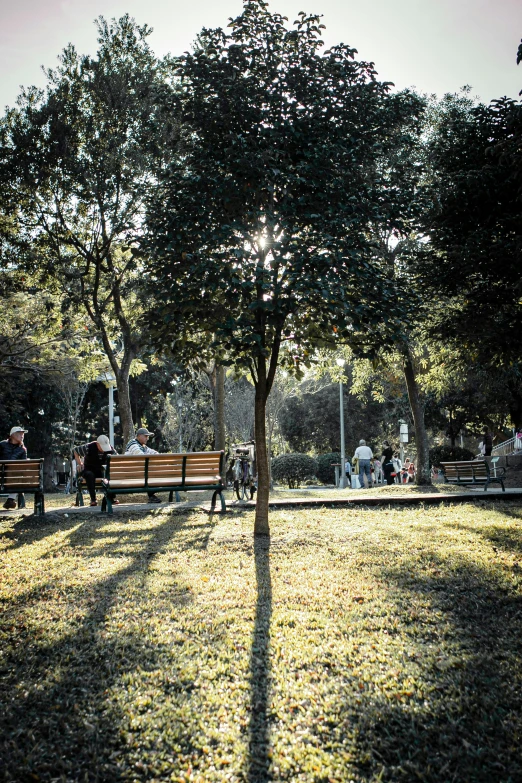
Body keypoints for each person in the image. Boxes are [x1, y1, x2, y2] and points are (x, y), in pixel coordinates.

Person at [74, 435, 119, 507]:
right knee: (89, 475)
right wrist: (80, 463)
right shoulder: (88, 447)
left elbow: (116, 458)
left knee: (109, 475)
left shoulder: (110, 449)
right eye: (102, 446)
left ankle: (111, 498)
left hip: (101, 471)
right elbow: (76, 450)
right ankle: (93, 499)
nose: (104, 449)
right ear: (97, 444)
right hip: (89, 469)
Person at [125, 428, 162, 503]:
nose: (147, 438)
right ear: (139, 436)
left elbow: (153, 452)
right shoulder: (133, 443)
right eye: (145, 436)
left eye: (148, 436)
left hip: (140, 472)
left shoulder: (143, 446)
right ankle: (151, 496)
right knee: (153, 473)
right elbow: (140, 456)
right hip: (131, 473)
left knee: (153, 472)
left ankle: (151, 496)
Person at [0, 426, 28, 509]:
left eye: (23, 434)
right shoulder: (2, 445)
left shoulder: (22, 449)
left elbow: (24, 466)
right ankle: (10, 500)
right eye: (19, 434)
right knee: (19, 478)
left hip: (13, 477)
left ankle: (10, 500)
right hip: (3, 475)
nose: (22, 436)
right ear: (12, 435)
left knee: (18, 477)